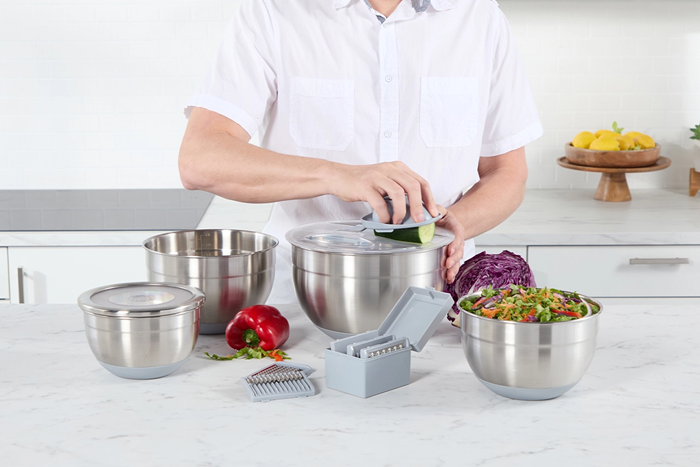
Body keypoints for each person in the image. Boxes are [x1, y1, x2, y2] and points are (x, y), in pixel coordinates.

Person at [179, 0, 542, 303]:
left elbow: (507, 173)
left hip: (440, 296)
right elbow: (200, 159)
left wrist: (451, 225)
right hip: (305, 297)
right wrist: (336, 175)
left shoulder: (480, 17)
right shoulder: (274, 11)